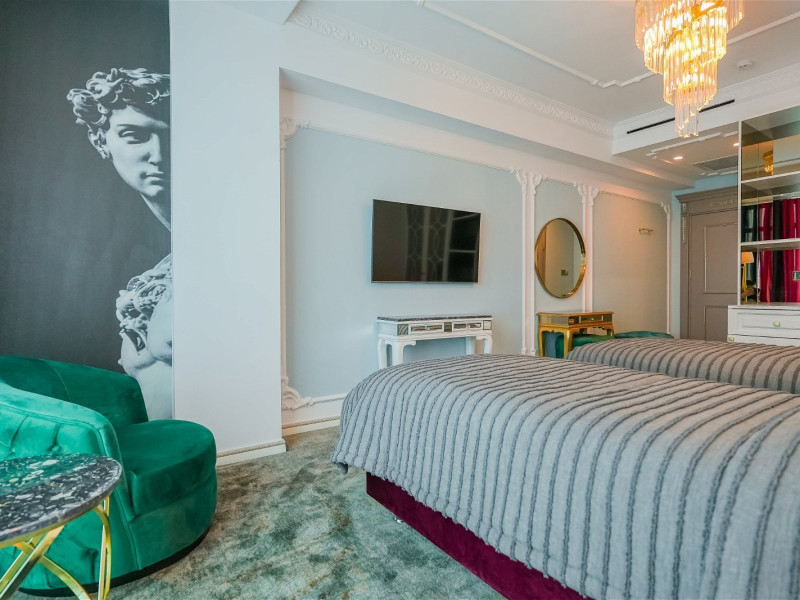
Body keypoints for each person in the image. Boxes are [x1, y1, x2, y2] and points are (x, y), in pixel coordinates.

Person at [68, 68, 172, 419]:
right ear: (101, 141)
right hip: (153, 443)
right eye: (135, 135)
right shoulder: (161, 271)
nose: (159, 155)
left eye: (172, 137)